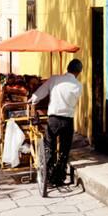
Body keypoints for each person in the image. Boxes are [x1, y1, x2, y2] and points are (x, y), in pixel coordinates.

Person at [29, 58, 83, 186]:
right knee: (64, 150)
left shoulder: (54, 79)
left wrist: (32, 100)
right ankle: (59, 177)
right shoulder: (78, 85)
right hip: (68, 120)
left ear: (67, 68)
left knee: (50, 146)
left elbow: (41, 92)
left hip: (53, 119)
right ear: (79, 72)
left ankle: (47, 174)